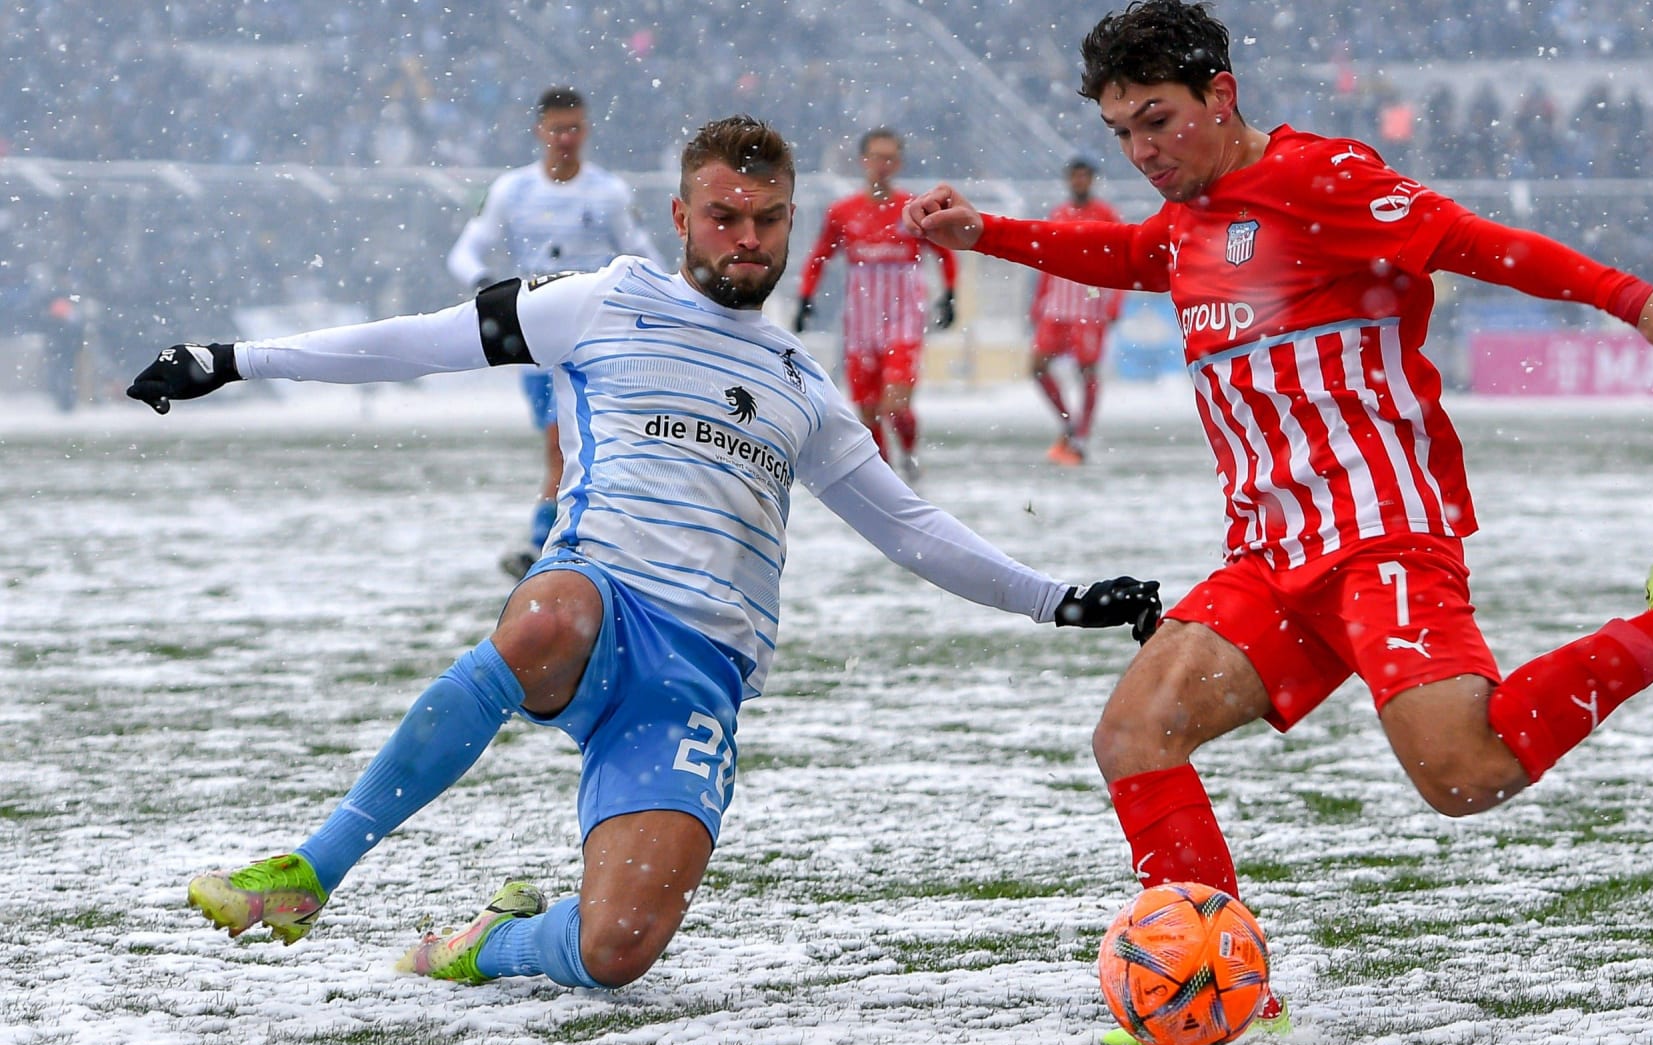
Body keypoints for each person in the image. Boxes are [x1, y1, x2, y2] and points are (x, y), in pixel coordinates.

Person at [903, 0, 1653, 1042]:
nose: (1140, 151)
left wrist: (1631, 299)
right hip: (1269, 552)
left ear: (1222, 95)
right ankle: (1223, 982)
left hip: (1381, 532)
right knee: (1133, 734)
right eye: (1120, 132)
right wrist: (985, 234)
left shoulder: (1315, 178)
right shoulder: (1188, 223)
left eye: (1156, 120)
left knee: (1464, 775)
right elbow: (1134, 256)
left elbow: (1469, 242)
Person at [131, 117, 1162, 992]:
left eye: (766, 221)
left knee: (616, 948)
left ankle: (493, 943)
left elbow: (909, 525)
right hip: (601, 599)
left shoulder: (801, 384)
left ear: (787, 223)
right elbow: (418, 340)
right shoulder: (600, 301)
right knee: (545, 617)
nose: (745, 239)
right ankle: (309, 872)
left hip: (696, 678)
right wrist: (233, 361)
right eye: (724, 217)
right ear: (682, 218)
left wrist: (1058, 600)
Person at [446, 86, 663, 579]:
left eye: (575, 129)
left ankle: (547, 542)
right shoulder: (512, 190)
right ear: (540, 132)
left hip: (595, 337)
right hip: (538, 335)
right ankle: (567, 543)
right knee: (567, 444)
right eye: (557, 129)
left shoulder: (608, 193)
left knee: (574, 441)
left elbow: (645, 255)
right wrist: (489, 288)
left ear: (586, 131)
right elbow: (464, 253)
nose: (566, 139)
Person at [793, 128, 956, 479]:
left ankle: (909, 456)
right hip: (861, 323)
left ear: (899, 163)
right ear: (862, 161)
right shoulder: (843, 212)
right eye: (875, 157)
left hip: (904, 319)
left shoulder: (913, 210)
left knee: (895, 405)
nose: (882, 165)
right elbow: (820, 255)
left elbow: (943, 251)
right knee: (867, 412)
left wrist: (949, 295)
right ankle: (884, 476)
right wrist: (805, 297)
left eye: (889, 158)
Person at [1028, 157, 1124, 467]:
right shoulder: (1059, 214)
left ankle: (1081, 434)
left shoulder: (1106, 215)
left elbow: (1122, 260)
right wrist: (1038, 301)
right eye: (1074, 176)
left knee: (1087, 369)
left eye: (1084, 176)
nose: (1079, 182)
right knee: (1037, 366)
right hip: (1057, 303)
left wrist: (1114, 302)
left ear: (1092, 180)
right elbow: (1047, 261)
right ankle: (1068, 422)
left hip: (1089, 298)